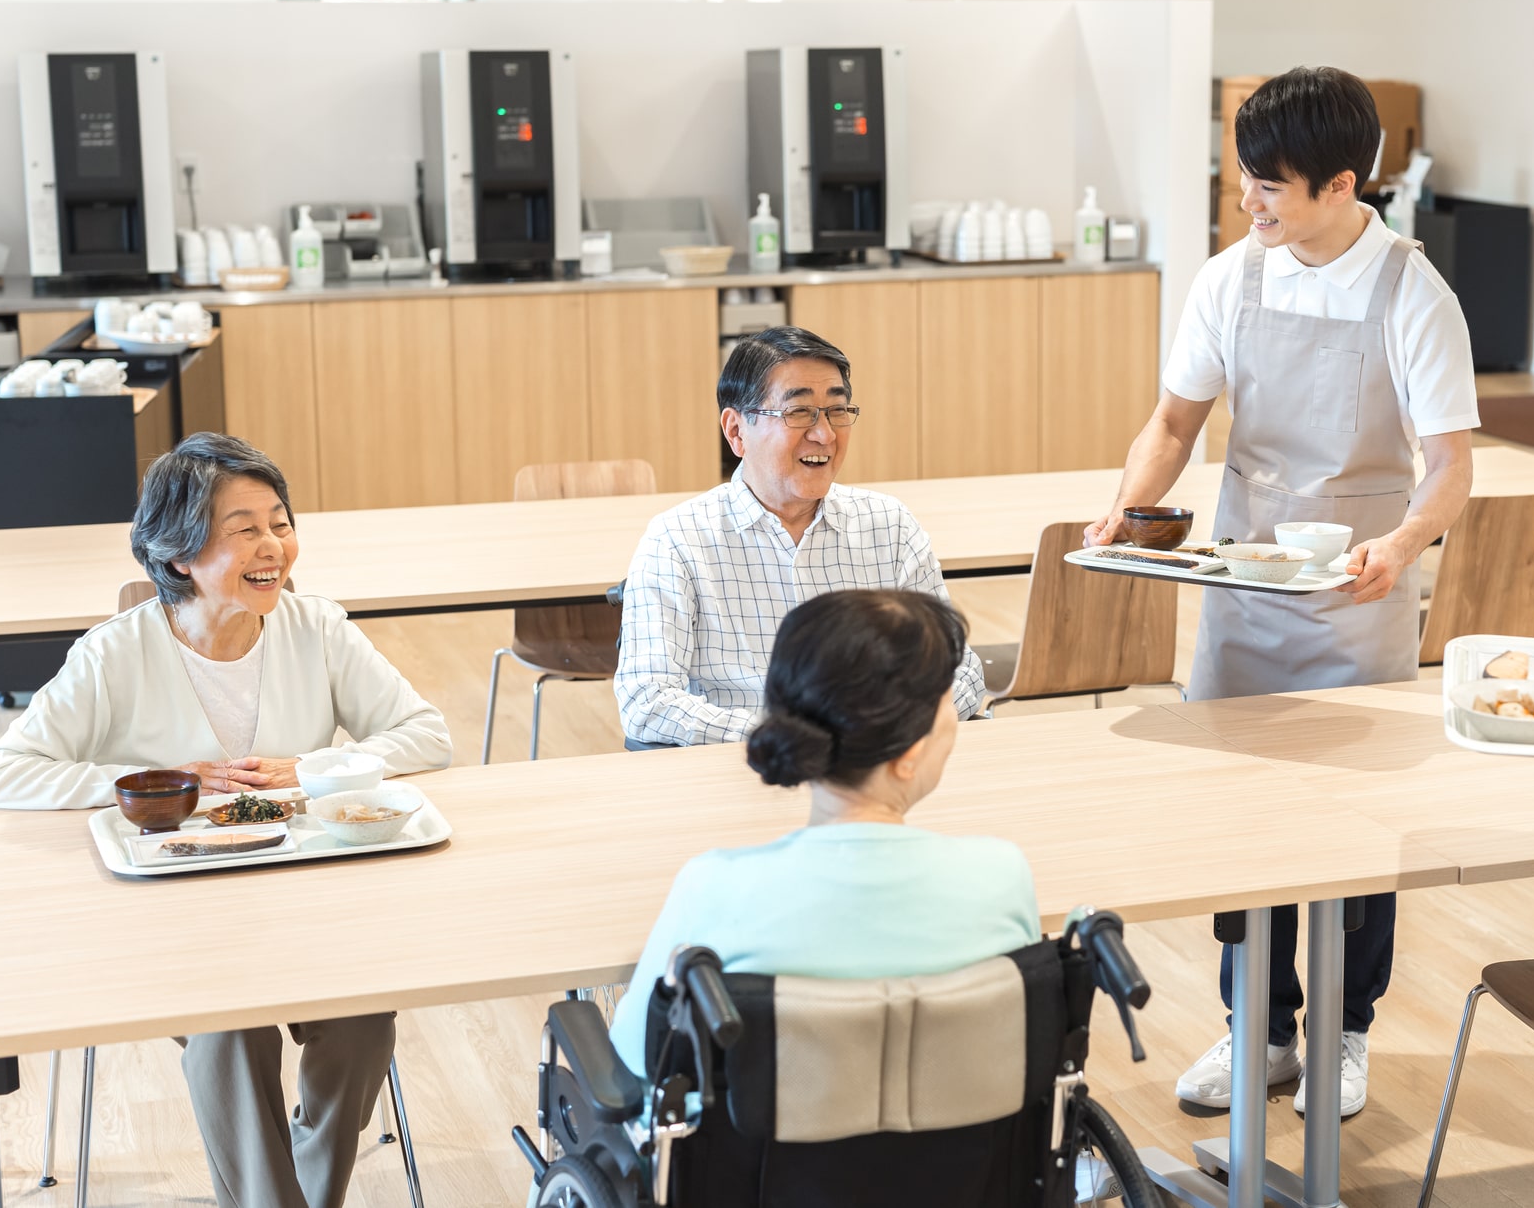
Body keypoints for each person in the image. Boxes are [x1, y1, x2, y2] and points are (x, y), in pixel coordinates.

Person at [1083, 68, 1479, 1116]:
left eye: (1267, 185)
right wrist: (1126, 507)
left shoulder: (1410, 291)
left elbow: (1448, 466)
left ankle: (1344, 1035)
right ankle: (1253, 1031)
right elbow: (1171, 426)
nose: (1247, 200)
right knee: (1237, 823)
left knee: (1359, 831)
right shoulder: (1230, 278)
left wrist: (1398, 544)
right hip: (1242, 588)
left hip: (1358, 595)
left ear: (1340, 184)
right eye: (1242, 179)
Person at [0, 433, 451, 1208]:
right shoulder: (114, 654)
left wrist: (312, 767)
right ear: (180, 554)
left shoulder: (317, 627)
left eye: (281, 521)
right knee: (230, 1033)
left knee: (363, 1024)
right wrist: (154, 782)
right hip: (179, 918)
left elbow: (426, 731)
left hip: (309, 897)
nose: (275, 548)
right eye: (245, 529)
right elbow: (1, 774)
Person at [608, 588, 1039, 1074]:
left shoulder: (714, 888)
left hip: (762, 1146)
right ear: (910, 753)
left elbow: (637, 1053)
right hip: (966, 1146)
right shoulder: (1001, 877)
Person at [616, 326, 984, 748]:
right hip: (742, 769)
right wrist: (793, 738)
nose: (825, 434)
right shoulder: (678, 540)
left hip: (876, 766)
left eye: (836, 411)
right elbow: (647, 700)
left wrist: (889, 728)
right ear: (737, 431)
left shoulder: (889, 524)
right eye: (799, 413)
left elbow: (960, 667)